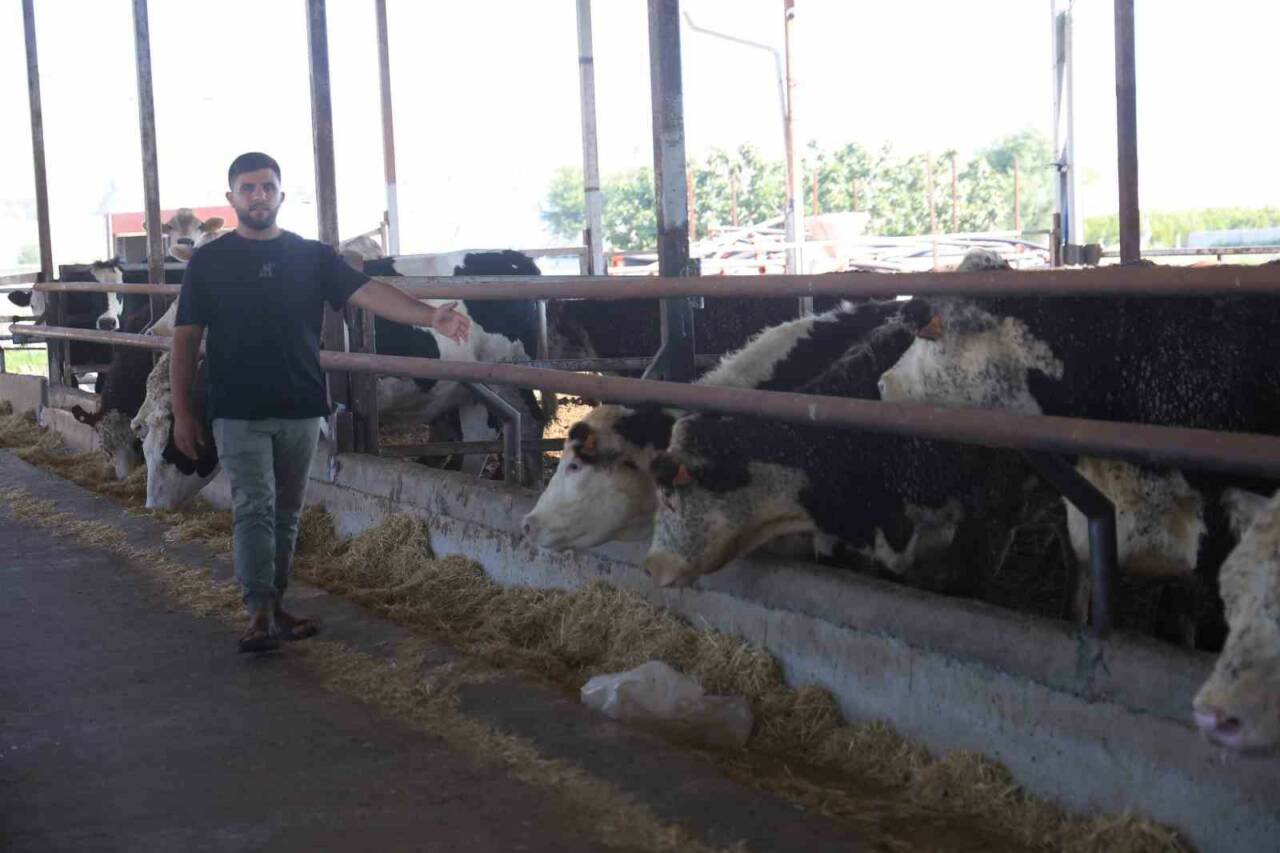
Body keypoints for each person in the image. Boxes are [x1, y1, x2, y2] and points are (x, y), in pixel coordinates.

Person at [170, 152, 470, 654]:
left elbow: (369, 291)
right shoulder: (209, 261)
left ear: (281, 196)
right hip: (237, 408)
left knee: (287, 510)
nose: (258, 195)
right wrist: (183, 411)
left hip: (302, 404)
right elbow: (184, 338)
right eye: (248, 188)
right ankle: (259, 611)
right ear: (231, 199)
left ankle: (276, 603)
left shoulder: (311, 257)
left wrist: (430, 316)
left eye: (267, 187)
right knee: (253, 507)